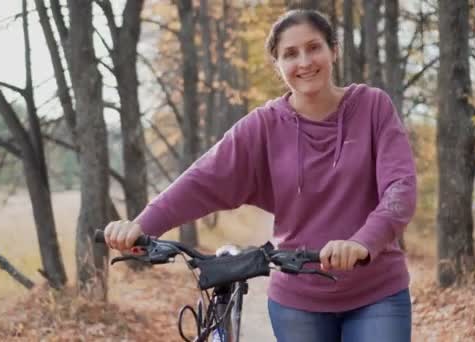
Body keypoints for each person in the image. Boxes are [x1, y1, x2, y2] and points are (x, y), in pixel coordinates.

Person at [104, 9, 416, 342]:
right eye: (290, 54)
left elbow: (400, 188)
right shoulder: (264, 124)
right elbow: (202, 178)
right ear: (277, 65)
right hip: (298, 301)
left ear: (333, 50)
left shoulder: (372, 107)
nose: (304, 61)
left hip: (377, 292)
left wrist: (360, 243)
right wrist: (142, 226)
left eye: (314, 47)